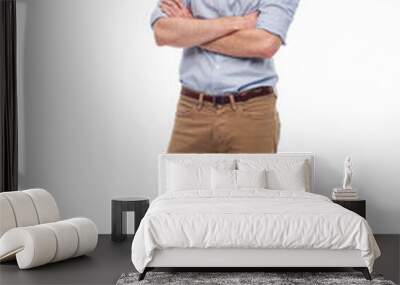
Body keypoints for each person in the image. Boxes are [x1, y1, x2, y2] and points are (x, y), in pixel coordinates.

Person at [150, 0, 299, 153]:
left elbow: (265, 45)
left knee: (250, 177)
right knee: (180, 176)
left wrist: (192, 27)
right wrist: (236, 22)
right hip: (192, 111)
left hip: (251, 113)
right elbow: (163, 32)